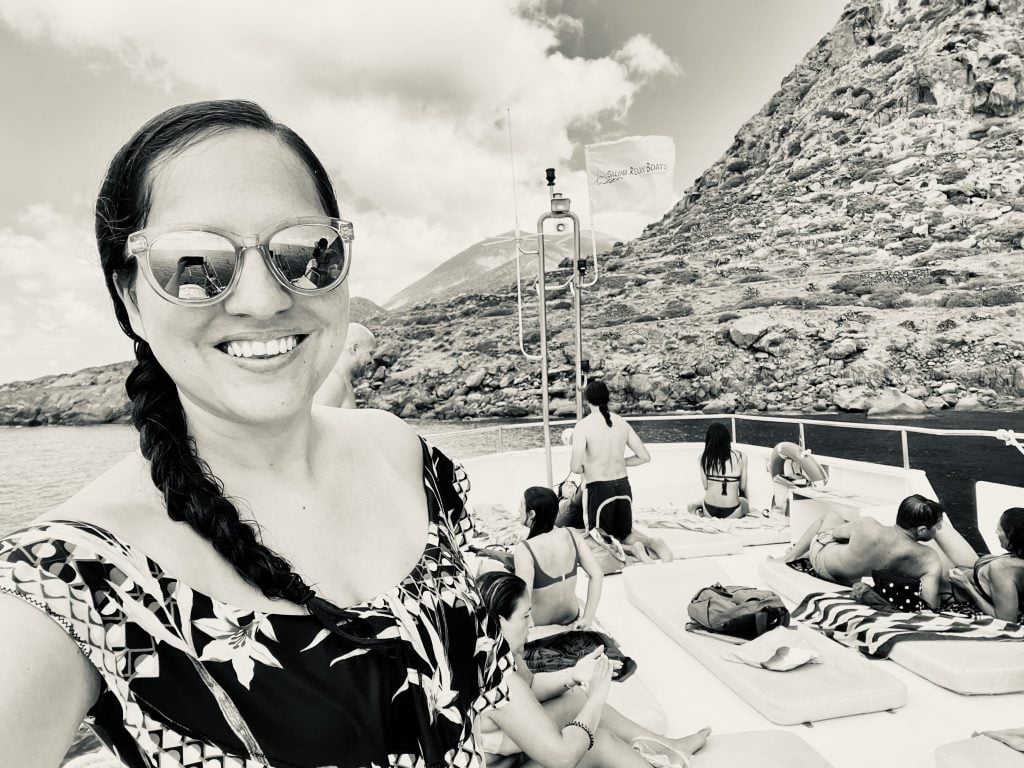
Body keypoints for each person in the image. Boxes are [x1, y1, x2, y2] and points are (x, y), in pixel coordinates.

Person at [0, 100, 515, 768]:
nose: (262, 299)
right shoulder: (69, 581)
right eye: (195, 262)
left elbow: (476, 691)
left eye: (306, 253)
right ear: (129, 297)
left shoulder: (408, 457)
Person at [476, 571, 710, 768]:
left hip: (514, 755)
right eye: (525, 616)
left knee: (574, 699)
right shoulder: (495, 680)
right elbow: (563, 757)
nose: (532, 624)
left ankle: (667, 747)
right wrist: (597, 698)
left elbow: (530, 687)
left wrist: (572, 674)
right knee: (597, 743)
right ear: (498, 622)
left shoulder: (496, 652)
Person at [771, 494, 947, 609]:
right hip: (847, 582)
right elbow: (930, 604)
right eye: (937, 526)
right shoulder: (928, 559)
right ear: (922, 530)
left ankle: (789, 557)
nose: (939, 529)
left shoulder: (867, 525)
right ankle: (795, 555)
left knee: (831, 518)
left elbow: (834, 534)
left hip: (822, 562)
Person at [570, 380, 672, 563]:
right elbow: (644, 456)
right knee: (624, 532)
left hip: (600, 490)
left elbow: (575, 467)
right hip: (623, 488)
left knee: (596, 538)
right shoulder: (622, 423)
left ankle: (633, 550)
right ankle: (652, 542)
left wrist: (590, 465)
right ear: (607, 399)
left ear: (587, 401)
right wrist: (619, 461)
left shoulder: (582, 426)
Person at [513, 486, 604, 628]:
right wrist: (587, 618)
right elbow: (597, 574)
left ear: (531, 514)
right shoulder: (573, 535)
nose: (518, 509)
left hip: (540, 623)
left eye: (520, 505)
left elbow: (523, 599)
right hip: (571, 616)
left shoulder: (524, 549)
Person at [944, 508, 1024, 622]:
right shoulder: (1017, 555)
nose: (996, 532)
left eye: (999, 529)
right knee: (935, 519)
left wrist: (967, 586)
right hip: (969, 569)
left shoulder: (1003, 569)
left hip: (951, 591)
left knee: (924, 521)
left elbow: (1006, 620)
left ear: (1011, 534)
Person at [313, 321, 376, 408]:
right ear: (355, 348)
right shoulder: (334, 381)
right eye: (370, 353)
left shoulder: (341, 380)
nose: (371, 361)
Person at [694, 422, 749, 519]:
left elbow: (706, 487)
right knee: (745, 502)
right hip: (732, 511)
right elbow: (743, 487)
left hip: (709, 510)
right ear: (727, 439)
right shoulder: (741, 457)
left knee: (706, 498)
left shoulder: (703, 457)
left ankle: (698, 507)